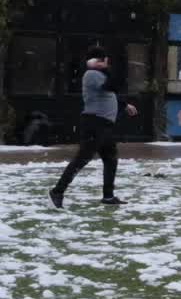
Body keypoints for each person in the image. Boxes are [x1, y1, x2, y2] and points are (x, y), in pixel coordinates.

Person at [49, 47, 137, 208]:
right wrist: (106, 69)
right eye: (104, 60)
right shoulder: (91, 75)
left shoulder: (100, 75)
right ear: (98, 61)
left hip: (104, 125)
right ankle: (57, 191)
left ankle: (108, 196)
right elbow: (113, 86)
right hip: (94, 124)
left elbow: (110, 93)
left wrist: (125, 105)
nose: (107, 62)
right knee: (81, 159)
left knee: (111, 160)